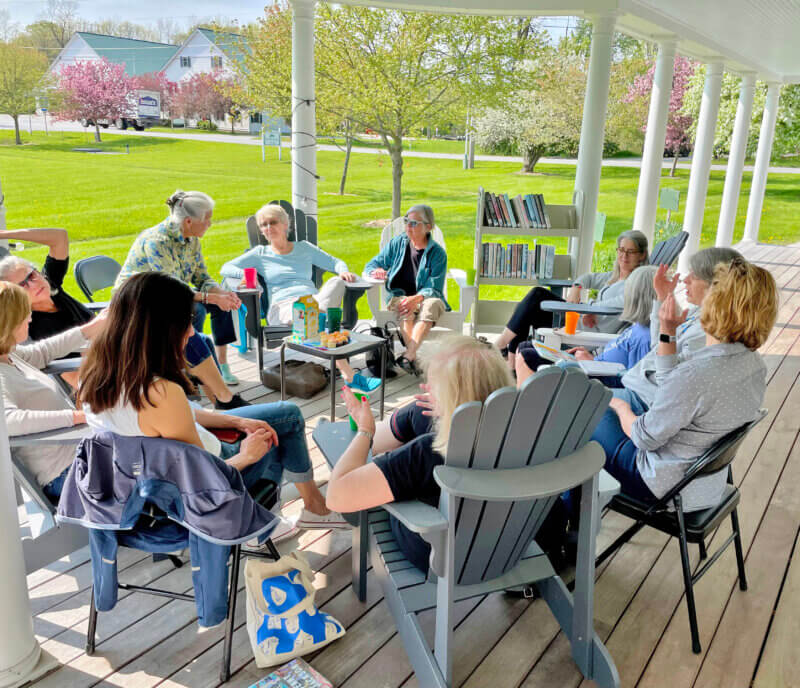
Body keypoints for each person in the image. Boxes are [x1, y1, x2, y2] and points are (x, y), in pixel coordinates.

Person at [80, 272, 347, 543]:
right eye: (187, 322)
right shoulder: (161, 393)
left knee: (282, 414)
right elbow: (200, 481)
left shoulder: (96, 373)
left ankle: (292, 508)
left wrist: (235, 422)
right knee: (280, 427)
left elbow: (165, 419)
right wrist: (247, 456)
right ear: (160, 327)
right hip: (211, 483)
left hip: (143, 486)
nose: (191, 331)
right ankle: (276, 515)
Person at [590, 259, 777, 512]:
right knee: (586, 405)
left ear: (717, 305)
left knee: (578, 411)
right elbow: (674, 390)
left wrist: (621, 407)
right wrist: (668, 330)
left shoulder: (697, 374)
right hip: (702, 484)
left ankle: (570, 527)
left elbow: (644, 437)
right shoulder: (753, 365)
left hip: (659, 484)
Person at [326, 336, 512, 572]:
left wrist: (365, 430)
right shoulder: (517, 432)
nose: (425, 388)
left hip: (437, 551)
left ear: (453, 396)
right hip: (501, 537)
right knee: (420, 410)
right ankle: (381, 452)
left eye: (435, 386)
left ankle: (376, 462)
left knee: (384, 468)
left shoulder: (428, 452)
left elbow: (337, 497)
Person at [221, 203, 378, 392]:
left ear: (286, 224)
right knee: (319, 319)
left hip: (312, 302)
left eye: (273, 222)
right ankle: (348, 373)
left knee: (336, 283)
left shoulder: (304, 248)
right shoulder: (260, 254)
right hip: (284, 308)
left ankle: (325, 333)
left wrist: (343, 271)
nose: (268, 228)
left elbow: (335, 262)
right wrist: (251, 279)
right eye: (263, 225)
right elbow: (226, 268)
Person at [115, 190, 246, 408]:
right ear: (188, 221)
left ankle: (219, 397)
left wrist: (221, 293)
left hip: (166, 300)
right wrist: (211, 298)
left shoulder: (191, 239)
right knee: (194, 314)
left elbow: (200, 276)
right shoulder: (157, 241)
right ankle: (190, 377)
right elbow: (171, 288)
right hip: (137, 304)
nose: (210, 224)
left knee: (205, 325)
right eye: (207, 219)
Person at [0, 281, 107, 501]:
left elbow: (45, 350)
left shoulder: (10, 355)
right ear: (8, 323)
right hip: (65, 474)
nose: (30, 317)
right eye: (25, 313)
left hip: (83, 454)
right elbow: (8, 421)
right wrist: (79, 417)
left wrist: (92, 328)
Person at [494, 230, 649, 372]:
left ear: (642, 255)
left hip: (586, 332)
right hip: (580, 319)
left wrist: (590, 309)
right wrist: (577, 287)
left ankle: (502, 348)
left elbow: (620, 302)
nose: (624, 256)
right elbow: (588, 278)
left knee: (536, 298)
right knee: (530, 306)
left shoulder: (636, 283)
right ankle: (510, 361)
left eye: (631, 252)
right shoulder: (615, 276)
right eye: (621, 250)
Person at [618, 246, 743, 410]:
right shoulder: (696, 313)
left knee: (575, 394)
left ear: (716, 285)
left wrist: (668, 332)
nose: (686, 280)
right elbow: (658, 348)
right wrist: (662, 298)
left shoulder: (709, 333)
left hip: (642, 403)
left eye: (695, 275)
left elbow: (669, 383)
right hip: (634, 386)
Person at [514, 265, 658, 385]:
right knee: (526, 346)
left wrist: (593, 364)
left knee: (526, 356)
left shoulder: (645, 339)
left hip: (592, 379)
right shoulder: (638, 326)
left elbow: (629, 380)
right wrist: (590, 357)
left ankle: (526, 410)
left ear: (635, 297)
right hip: (590, 365)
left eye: (629, 291)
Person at [363, 205, 449, 375]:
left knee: (432, 306)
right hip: (399, 295)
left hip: (427, 298)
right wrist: (376, 271)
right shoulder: (398, 244)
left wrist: (416, 299)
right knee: (404, 307)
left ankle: (409, 354)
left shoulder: (438, 254)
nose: (408, 226)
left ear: (428, 227)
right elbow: (371, 264)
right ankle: (411, 356)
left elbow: (435, 287)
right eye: (406, 221)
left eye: (414, 223)